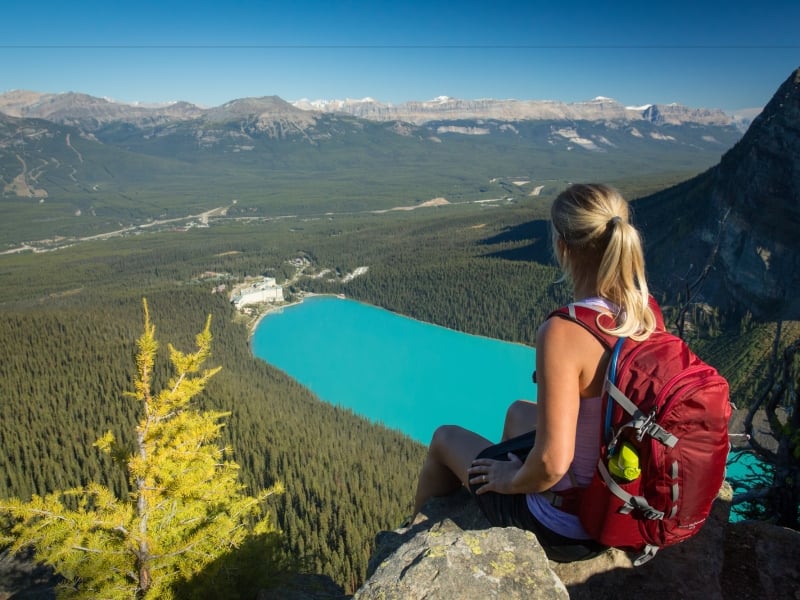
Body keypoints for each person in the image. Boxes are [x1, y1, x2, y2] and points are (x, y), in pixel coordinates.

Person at [409, 183, 658, 562]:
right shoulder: (645, 312)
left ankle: (411, 540)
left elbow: (552, 463)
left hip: (567, 526)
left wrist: (508, 480)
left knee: (444, 438)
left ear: (562, 246)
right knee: (516, 412)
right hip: (620, 498)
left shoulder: (566, 331)